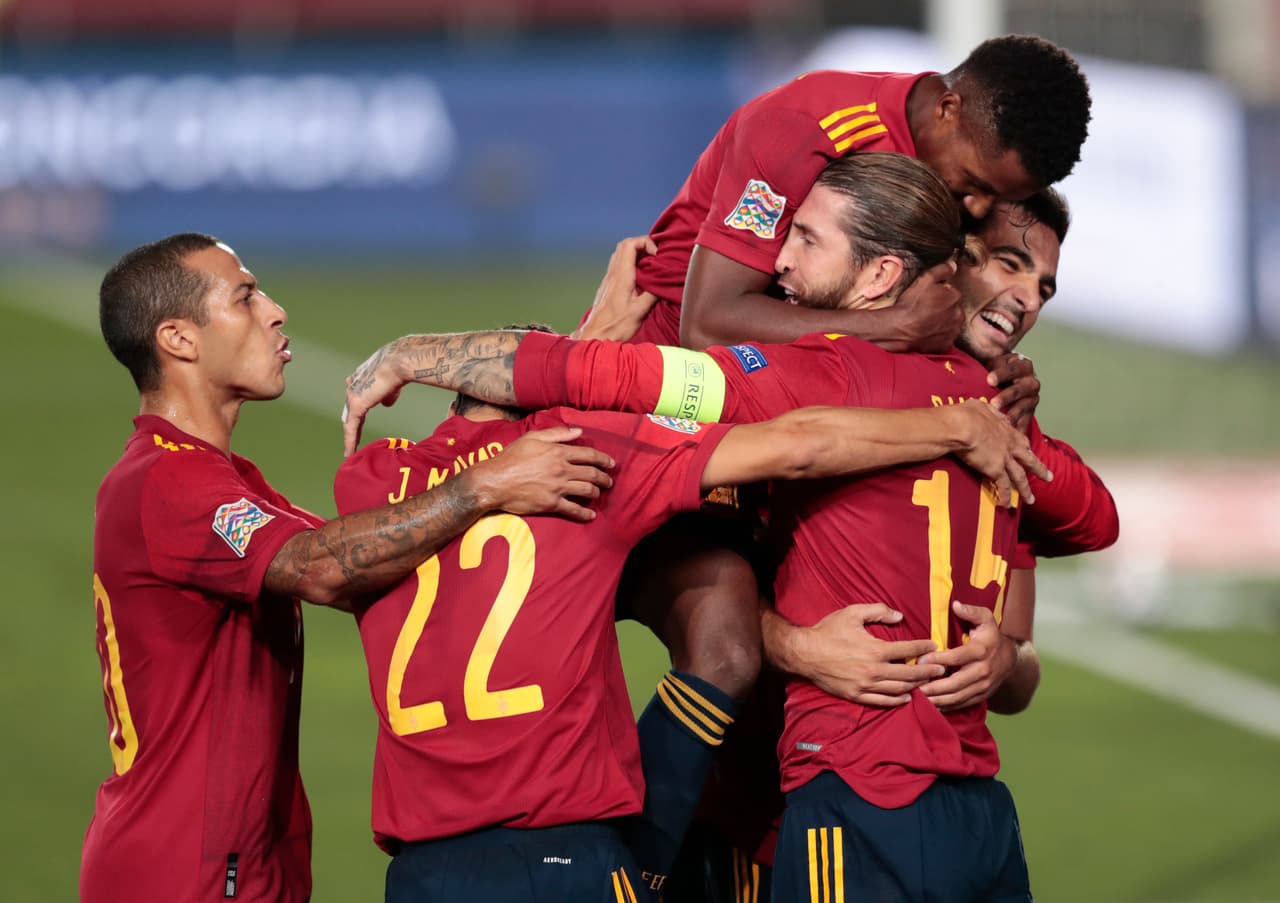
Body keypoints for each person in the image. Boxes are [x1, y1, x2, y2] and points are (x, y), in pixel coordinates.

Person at [337, 163, 1117, 903]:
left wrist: (422, 351)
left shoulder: (823, 373)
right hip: (967, 809)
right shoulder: (1007, 426)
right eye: (1007, 265)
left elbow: (616, 389)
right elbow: (1096, 517)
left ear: (884, 275)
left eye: (807, 238)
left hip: (842, 791)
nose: (775, 259)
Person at [82, 233, 618, 903]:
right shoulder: (167, 480)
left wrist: (568, 362)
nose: (275, 311)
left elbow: (378, 553)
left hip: (236, 860)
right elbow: (325, 568)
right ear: (179, 340)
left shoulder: (226, 482)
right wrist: (484, 485)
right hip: (180, 868)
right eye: (246, 297)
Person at [605, 32, 1091, 352]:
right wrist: (894, 328)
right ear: (947, 109)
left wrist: (1000, 369)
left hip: (791, 374)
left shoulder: (961, 160)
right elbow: (709, 323)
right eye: (978, 186)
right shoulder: (803, 126)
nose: (977, 209)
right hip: (657, 367)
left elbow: (930, 313)